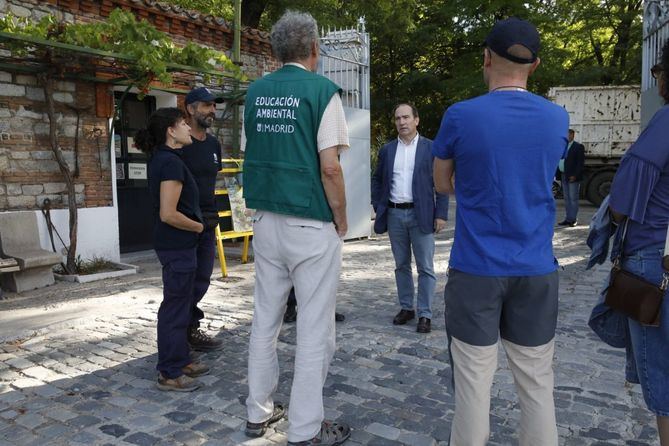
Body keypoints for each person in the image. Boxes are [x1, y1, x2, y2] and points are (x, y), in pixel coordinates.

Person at [432, 18, 568, 446]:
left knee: (473, 388)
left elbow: (441, 183)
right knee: (536, 385)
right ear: (536, 65)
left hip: (476, 268)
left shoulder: (460, 116)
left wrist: (474, 193)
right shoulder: (556, 118)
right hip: (536, 267)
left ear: (486, 58)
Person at [242, 10, 351, 446]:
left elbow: (253, 152)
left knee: (265, 319)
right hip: (310, 220)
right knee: (313, 326)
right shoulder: (323, 92)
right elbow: (330, 167)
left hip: (267, 219)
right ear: (314, 49)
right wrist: (341, 217)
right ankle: (305, 428)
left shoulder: (255, 93)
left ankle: (258, 412)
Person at [608, 39, 669, 446]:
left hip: (654, 258)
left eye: (658, 70)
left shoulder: (666, 121)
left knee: (663, 372)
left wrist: (614, 218)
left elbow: (627, 191)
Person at [135, 108, 210, 392]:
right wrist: (198, 228)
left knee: (181, 304)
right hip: (177, 244)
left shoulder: (169, 160)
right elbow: (168, 213)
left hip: (179, 245)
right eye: (183, 123)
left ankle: (180, 359)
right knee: (175, 309)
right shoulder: (169, 163)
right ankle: (169, 371)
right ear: (170, 130)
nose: (188, 128)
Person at [371, 103, 448, 333]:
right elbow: (377, 179)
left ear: (416, 120)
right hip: (395, 214)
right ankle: (407, 307)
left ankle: (425, 313)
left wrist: (441, 214)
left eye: (406, 117)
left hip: (421, 214)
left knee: (425, 267)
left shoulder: (431, 148)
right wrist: (378, 204)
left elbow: (441, 183)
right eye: (397, 118)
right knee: (401, 265)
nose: (402, 122)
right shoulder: (387, 150)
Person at [181, 87, 224, 352]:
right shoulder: (180, 142)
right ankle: (183, 331)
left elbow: (211, 179)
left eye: (213, 106)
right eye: (206, 106)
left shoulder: (213, 143)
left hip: (208, 221)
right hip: (184, 222)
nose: (212, 111)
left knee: (202, 278)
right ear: (190, 108)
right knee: (183, 281)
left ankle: (188, 327)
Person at [558, 129, 585, 226]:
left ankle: (573, 219)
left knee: (573, 198)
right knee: (566, 198)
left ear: (573, 135)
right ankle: (568, 219)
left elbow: (580, 163)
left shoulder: (578, 147)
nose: (566, 137)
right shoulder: (563, 146)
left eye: (568, 135)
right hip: (563, 175)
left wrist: (575, 175)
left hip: (572, 176)